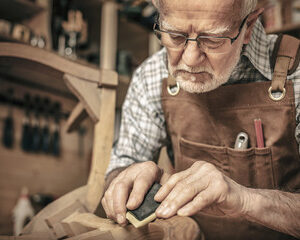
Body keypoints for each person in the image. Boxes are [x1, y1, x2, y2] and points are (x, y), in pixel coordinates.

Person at [101, 0, 300, 239]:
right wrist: (124, 179)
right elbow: (119, 168)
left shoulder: (296, 77)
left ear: (248, 26)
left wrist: (246, 201)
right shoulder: (152, 76)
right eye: (175, 36)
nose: (190, 59)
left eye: (212, 40)